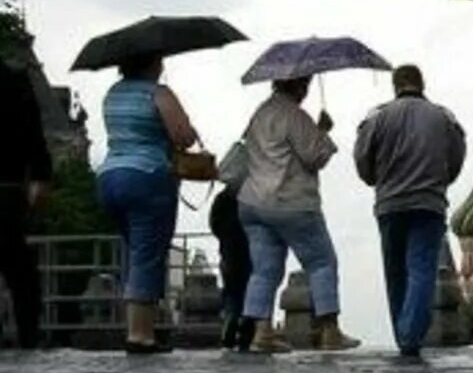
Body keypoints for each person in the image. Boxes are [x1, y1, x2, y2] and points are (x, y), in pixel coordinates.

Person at [237, 76, 359, 353]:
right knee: (321, 262)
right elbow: (314, 157)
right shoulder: (294, 115)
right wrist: (323, 132)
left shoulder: (259, 114)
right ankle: (329, 331)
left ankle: (262, 332)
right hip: (291, 202)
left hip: (253, 202)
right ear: (299, 86)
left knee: (264, 270)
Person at [354, 65, 467, 359]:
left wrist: (376, 180)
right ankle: (410, 335)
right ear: (422, 83)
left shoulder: (377, 116)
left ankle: (403, 334)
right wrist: (440, 181)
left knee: (395, 271)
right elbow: (456, 158)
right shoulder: (444, 117)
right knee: (422, 269)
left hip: (390, 205)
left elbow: (362, 159)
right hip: (429, 204)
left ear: (395, 86)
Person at [96, 56, 199, 353]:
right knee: (147, 253)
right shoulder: (159, 93)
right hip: (147, 176)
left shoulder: (113, 94)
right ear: (153, 63)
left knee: (134, 250)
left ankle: (138, 326)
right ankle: (140, 335)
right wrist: (189, 133)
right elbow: (182, 136)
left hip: (109, 178)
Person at [0, 52, 51, 349]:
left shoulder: (16, 81)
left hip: (8, 183)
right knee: (17, 264)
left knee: (17, 262)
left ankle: (30, 330)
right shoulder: (15, 81)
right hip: (8, 184)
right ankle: (29, 332)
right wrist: (41, 176)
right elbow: (35, 135)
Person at [209, 145, 252, 349]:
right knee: (249, 290)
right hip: (250, 253)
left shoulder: (222, 199)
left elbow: (214, 223)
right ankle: (246, 328)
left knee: (231, 291)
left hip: (228, 251)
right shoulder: (252, 200)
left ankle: (229, 320)